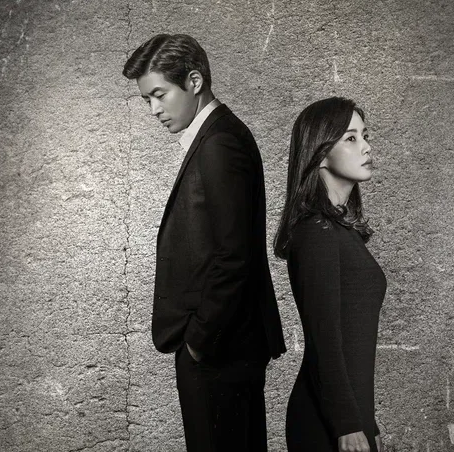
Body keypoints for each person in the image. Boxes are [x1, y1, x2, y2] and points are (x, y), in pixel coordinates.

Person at [123, 34, 286, 451]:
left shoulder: (220, 145)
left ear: (194, 81)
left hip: (220, 350)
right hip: (223, 347)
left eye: (159, 94)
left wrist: (198, 340)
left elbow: (234, 255)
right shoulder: (218, 136)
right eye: (147, 100)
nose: (154, 109)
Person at [274, 97, 386, 452]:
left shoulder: (339, 230)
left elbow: (353, 341)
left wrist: (366, 420)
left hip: (348, 416)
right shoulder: (316, 231)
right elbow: (325, 338)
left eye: (365, 135)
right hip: (327, 424)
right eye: (350, 138)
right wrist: (348, 424)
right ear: (320, 154)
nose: (366, 146)